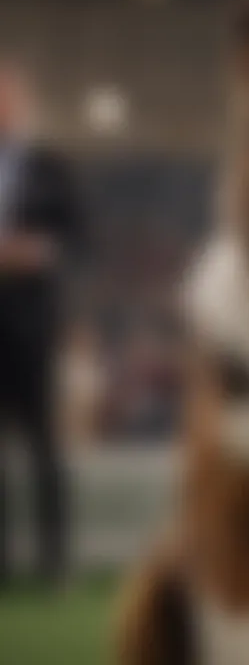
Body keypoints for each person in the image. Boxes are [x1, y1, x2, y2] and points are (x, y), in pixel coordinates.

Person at [0, 62, 85, 587]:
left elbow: (78, 235)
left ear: (25, 104)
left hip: (33, 322)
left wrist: (39, 250)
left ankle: (55, 563)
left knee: (45, 449)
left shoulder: (53, 167)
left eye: (9, 97)